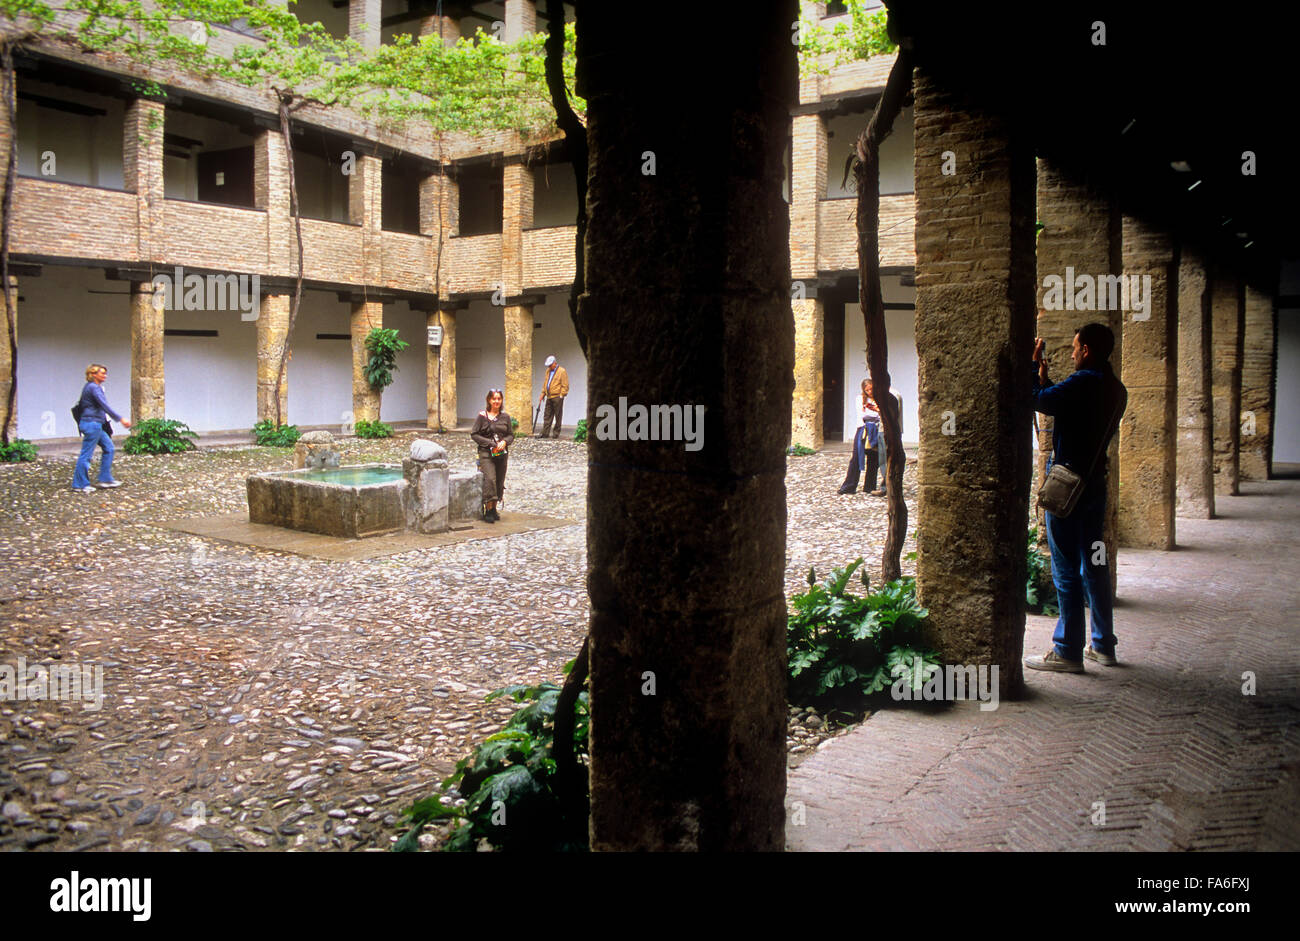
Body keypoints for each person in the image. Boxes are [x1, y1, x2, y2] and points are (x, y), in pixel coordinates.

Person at [1024, 323, 1128, 673]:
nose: (1071, 354)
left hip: (1068, 488)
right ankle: (1103, 644)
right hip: (1095, 487)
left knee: (1065, 566)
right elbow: (1069, 405)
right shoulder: (1116, 389)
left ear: (1086, 350)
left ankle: (1067, 650)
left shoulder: (1083, 381)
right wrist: (1046, 379)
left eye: (1074, 348)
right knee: (1095, 563)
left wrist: (1032, 366)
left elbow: (1040, 400)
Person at [71, 363, 131, 494]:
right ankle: (79, 484)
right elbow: (104, 406)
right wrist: (120, 419)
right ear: (93, 374)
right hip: (92, 424)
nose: (105, 376)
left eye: (105, 373)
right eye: (102, 373)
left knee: (109, 448)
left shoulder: (92, 387)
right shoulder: (94, 388)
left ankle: (105, 479)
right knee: (86, 455)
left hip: (95, 424)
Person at [470, 388, 513, 522]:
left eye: (499, 399)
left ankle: (494, 509)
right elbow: (474, 434)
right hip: (486, 453)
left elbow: (510, 435)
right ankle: (488, 509)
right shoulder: (482, 417)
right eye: (494, 399)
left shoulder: (505, 417)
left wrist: (505, 442)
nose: (496, 401)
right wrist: (490, 443)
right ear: (489, 400)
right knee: (490, 479)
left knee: (499, 481)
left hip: (501, 454)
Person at [837, 379, 881, 495]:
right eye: (867, 390)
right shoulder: (860, 399)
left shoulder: (879, 399)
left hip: (875, 429)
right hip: (863, 428)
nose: (870, 392)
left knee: (873, 458)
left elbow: (879, 416)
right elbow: (862, 415)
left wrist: (876, 410)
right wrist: (873, 411)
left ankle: (869, 486)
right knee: (856, 457)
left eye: (871, 389)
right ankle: (849, 486)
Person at [536, 355, 569, 438]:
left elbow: (565, 385)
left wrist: (562, 395)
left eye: (550, 365)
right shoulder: (548, 371)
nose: (549, 367)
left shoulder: (562, 371)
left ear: (555, 363)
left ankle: (556, 433)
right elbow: (545, 383)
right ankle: (545, 433)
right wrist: (543, 394)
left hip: (557, 396)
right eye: (548, 365)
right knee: (547, 415)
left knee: (558, 415)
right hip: (549, 396)